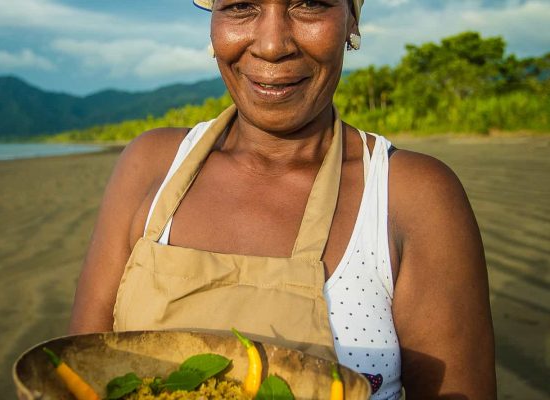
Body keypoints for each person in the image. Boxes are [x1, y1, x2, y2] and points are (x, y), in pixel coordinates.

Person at [69, 1, 496, 398]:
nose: (272, 46)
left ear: (352, 20)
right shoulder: (152, 165)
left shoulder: (411, 195)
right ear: (214, 22)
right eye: (241, 5)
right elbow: (78, 372)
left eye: (308, 3)